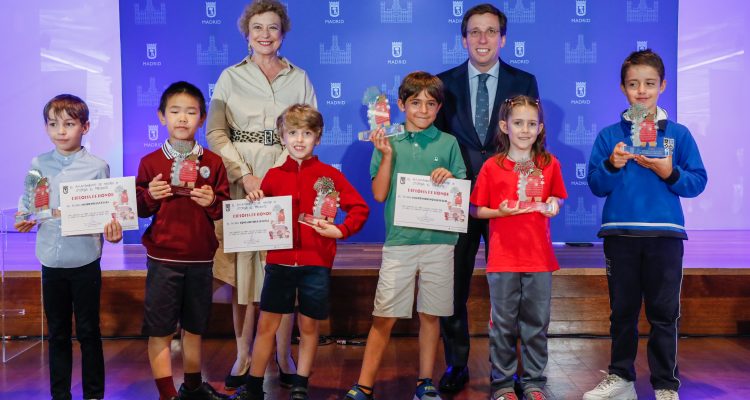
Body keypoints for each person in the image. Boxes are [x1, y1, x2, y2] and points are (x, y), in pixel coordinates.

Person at [583, 49, 707, 400]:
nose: (641, 91)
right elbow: (596, 184)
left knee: (664, 314)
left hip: (665, 236)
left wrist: (670, 173)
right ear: (623, 88)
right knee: (622, 311)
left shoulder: (678, 135)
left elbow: (697, 182)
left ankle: (665, 384)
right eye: (634, 84)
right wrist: (612, 164)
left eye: (649, 84)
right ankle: (621, 378)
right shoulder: (610, 136)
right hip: (620, 234)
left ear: (662, 86)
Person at [206, 0, 316, 388]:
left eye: (273, 27)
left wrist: (280, 174)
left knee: (283, 269)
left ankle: (284, 353)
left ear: (282, 33)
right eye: (258, 28)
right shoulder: (229, 77)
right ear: (246, 33)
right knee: (244, 272)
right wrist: (245, 174)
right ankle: (243, 354)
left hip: (287, 179)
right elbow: (216, 133)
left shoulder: (299, 77)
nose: (265, 35)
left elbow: (308, 131)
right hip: (241, 183)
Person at [433, 4, 539, 392]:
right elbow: (439, 143)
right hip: (457, 201)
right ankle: (456, 365)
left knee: (512, 291)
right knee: (452, 287)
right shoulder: (442, 83)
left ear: (503, 38)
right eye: (475, 32)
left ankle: (511, 370)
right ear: (463, 39)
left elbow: (532, 141)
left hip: (506, 204)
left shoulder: (523, 80)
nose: (482, 39)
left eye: (490, 31)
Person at [345, 71, 467, 400]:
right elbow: (380, 194)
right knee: (384, 315)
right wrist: (386, 156)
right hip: (400, 243)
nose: (423, 110)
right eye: (415, 103)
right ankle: (364, 385)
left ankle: (425, 382)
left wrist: (448, 177)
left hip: (440, 244)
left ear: (439, 107)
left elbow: (460, 192)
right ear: (402, 104)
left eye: (430, 103)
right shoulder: (389, 142)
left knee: (431, 316)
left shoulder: (449, 143)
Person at [235, 105, 369, 400]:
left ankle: (300, 384)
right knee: (266, 326)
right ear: (282, 137)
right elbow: (260, 215)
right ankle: (254, 387)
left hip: (316, 264)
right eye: (293, 133)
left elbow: (359, 208)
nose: (299, 139)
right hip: (280, 263)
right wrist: (255, 199)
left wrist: (341, 230)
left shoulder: (328, 176)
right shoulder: (271, 176)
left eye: (307, 133)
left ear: (318, 138)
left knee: (309, 326)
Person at [14, 94, 122, 400]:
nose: (61, 131)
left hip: (86, 260)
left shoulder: (98, 167)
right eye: (53, 124)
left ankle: (94, 395)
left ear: (85, 127)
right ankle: (59, 395)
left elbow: (109, 214)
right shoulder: (39, 164)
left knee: (89, 332)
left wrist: (113, 231)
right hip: (51, 260)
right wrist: (25, 218)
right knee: (58, 333)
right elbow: (27, 206)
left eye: (69, 124)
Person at [136, 81, 230, 400]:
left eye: (191, 112)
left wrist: (210, 202)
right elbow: (135, 206)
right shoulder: (150, 162)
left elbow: (222, 210)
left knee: (195, 327)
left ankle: (192, 386)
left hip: (202, 259)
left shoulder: (214, 163)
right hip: (164, 259)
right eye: (175, 111)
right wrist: (150, 196)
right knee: (161, 329)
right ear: (162, 116)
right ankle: (167, 393)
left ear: (202, 119)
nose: (182, 118)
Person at [470, 95, 567, 400]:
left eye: (531, 123)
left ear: (540, 128)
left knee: (536, 323)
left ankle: (534, 380)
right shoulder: (492, 166)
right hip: (503, 259)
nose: (525, 130)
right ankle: (502, 383)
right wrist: (500, 211)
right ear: (504, 126)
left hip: (539, 259)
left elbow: (557, 197)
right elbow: (476, 210)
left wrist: (553, 204)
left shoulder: (549, 164)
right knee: (503, 324)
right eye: (518, 123)